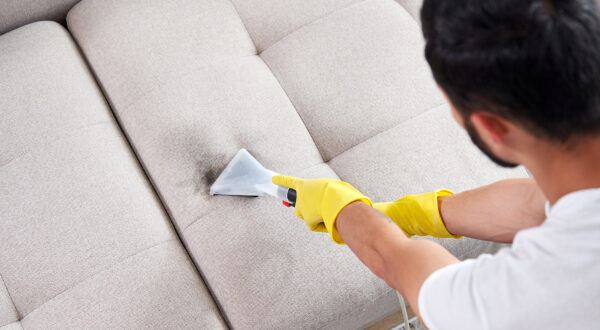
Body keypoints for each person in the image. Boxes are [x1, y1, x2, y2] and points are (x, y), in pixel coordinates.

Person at [273, 0, 600, 328]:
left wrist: (339, 208)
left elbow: (395, 262)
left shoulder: (514, 301)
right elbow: (535, 204)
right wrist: (412, 214)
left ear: (492, 128)